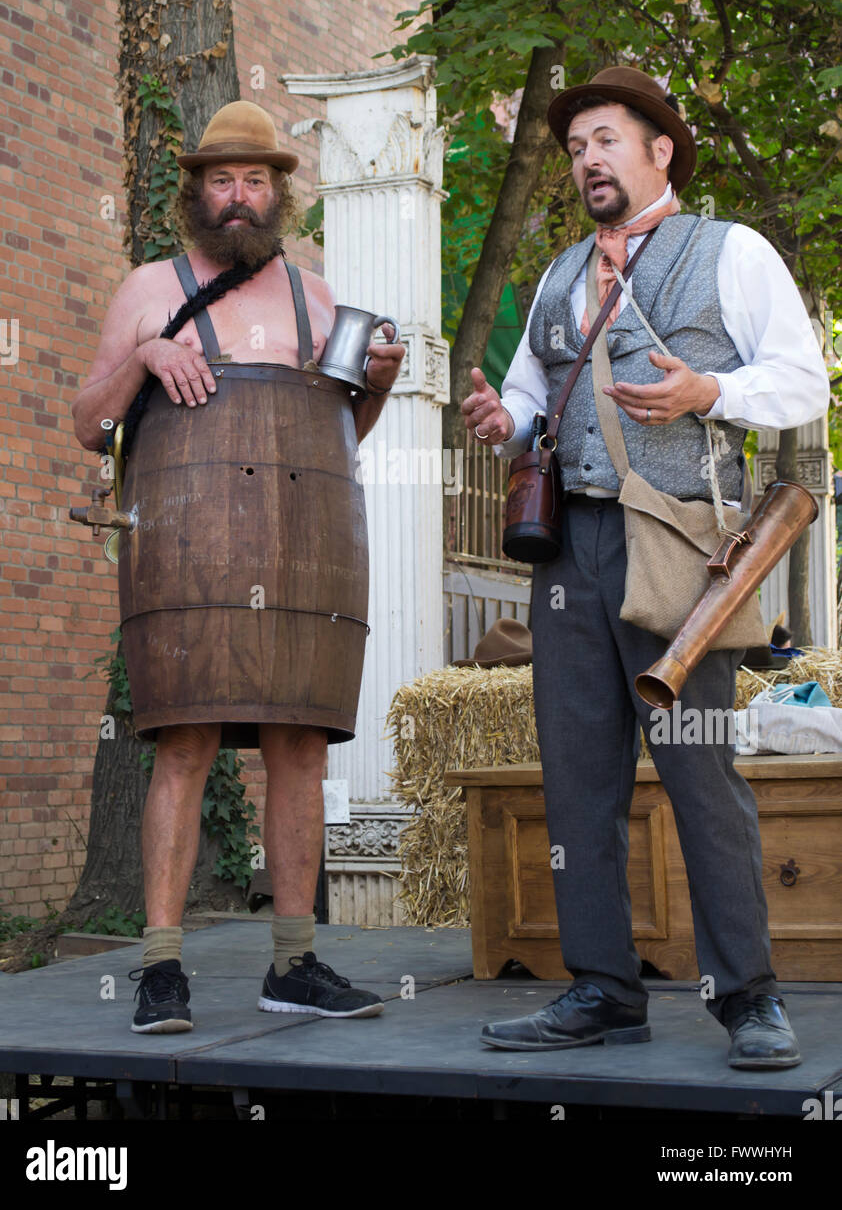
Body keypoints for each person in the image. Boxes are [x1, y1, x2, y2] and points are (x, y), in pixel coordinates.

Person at [461, 66, 829, 1068]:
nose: (586, 159)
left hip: (676, 544)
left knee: (699, 775)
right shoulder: (557, 274)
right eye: (576, 146)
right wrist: (503, 421)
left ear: (659, 151)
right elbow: (530, 397)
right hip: (568, 551)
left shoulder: (730, 251)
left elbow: (803, 381)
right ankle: (601, 989)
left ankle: (748, 997)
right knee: (577, 780)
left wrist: (709, 390)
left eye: (605, 140)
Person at [72, 102, 404, 1032]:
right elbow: (90, 424)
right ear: (196, 193)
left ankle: (294, 963)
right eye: (222, 179)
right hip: (187, 545)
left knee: (302, 744)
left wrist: (376, 386)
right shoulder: (150, 288)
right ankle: (160, 968)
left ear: (278, 195)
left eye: (256, 180)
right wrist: (144, 355)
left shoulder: (317, 298)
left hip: (305, 545)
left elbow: (339, 436)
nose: (239, 196)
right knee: (184, 741)